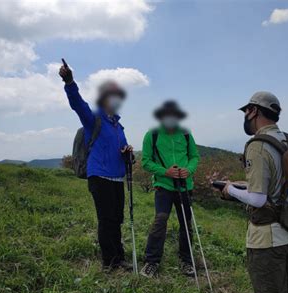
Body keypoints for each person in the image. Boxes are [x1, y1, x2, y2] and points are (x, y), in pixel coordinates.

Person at [221, 92, 288, 293]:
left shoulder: (257, 146)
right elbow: (276, 185)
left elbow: (259, 199)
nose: (245, 117)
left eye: (246, 111)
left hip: (269, 239)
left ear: (254, 111)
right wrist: (242, 186)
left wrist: (229, 189)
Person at [59, 62, 133, 271]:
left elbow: (121, 150)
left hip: (117, 178)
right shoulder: (94, 120)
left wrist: (127, 154)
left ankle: (119, 258)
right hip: (99, 176)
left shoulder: (119, 127)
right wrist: (69, 82)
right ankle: (109, 262)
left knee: (117, 219)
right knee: (106, 219)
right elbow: (77, 104)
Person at [139, 100, 200, 278]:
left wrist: (188, 170)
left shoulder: (186, 134)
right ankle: (151, 261)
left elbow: (194, 157)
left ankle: (187, 261)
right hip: (164, 186)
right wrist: (165, 172)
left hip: (184, 186)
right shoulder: (152, 135)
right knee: (160, 222)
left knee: (186, 225)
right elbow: (146, 161)